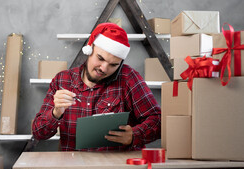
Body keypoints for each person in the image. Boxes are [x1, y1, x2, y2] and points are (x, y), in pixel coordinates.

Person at [32, 23, 161, 151]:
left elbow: (158, 121)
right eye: (100, 58)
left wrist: (134, 135)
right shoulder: (62, 80)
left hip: (115, 167)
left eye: (113, 65)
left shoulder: (128, 78)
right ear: (90, 49)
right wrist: (56, 113)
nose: (104, 68)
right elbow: (38, 132)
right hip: (74, 167)